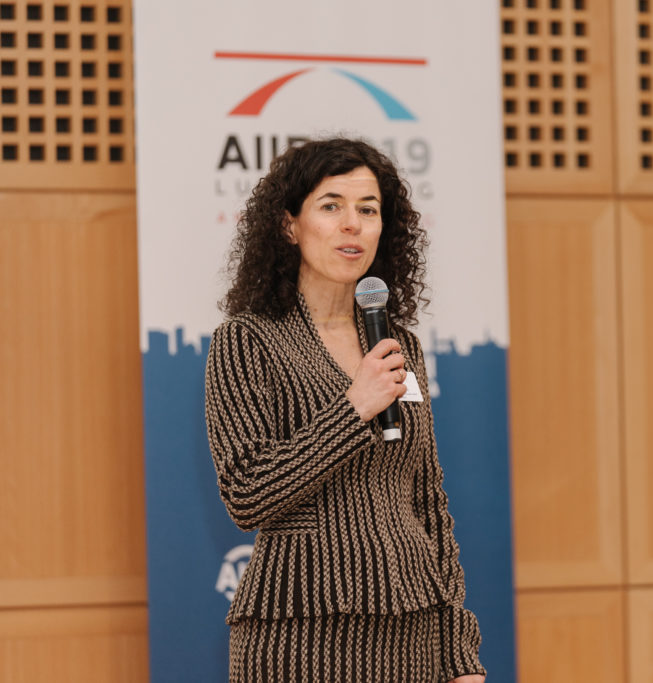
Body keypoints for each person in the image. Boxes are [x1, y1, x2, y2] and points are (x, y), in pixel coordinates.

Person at [204, 137, 485, 683]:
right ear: (290, 225)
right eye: (331, 206)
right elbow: (247, 492)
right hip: (300, 634)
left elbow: (426, 501)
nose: (352, 224)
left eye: (368, 210)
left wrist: (459, 653)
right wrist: (354, 407)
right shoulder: (246, 341)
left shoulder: (398, 343)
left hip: (412, 634)